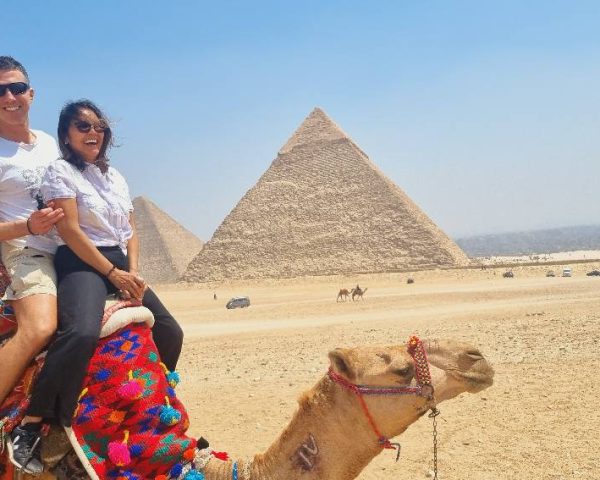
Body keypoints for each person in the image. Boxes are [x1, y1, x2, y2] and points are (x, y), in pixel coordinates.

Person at [8, 99, 184, 473]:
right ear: (66, 136)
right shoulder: (59, 172)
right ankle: (34, 425)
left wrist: (132, 274)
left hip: (119, 262)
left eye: (99, 127)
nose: (93, 133)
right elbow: (69, 229)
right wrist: (112, 274)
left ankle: (147, 407)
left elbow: (131, 230)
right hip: (81, 260)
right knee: (81, 332)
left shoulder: (115, 176)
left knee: (170, 330)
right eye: (83, 127)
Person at [0, 56, 64, 412]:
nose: (10, 96)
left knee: (151, 322)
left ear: (32, 94)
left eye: (17, 88)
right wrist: (28, 226)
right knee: (40, 327)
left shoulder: (49, 143)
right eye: (0, 90)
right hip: (27, 251)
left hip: (70, 248)